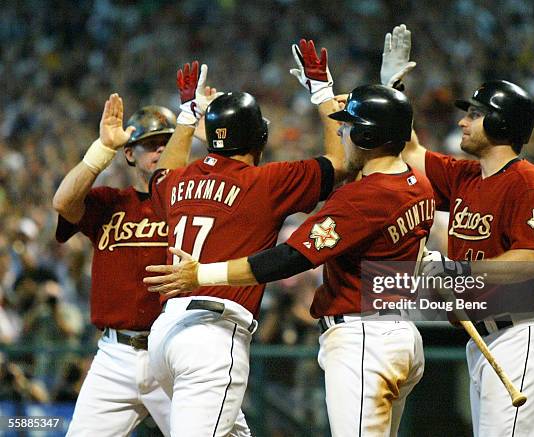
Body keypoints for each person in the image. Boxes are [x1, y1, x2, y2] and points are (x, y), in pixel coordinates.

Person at [145, 83, 435, 437]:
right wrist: (332, 93)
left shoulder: (359, 199)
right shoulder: (419, 184)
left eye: (348, 126)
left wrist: (202, 273)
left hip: (363, 341)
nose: (341, 131)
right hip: (401, 333)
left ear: (366, 135)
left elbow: (288, 259)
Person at [142, 45, 344, 436]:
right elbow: (341, 163)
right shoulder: (265, 182)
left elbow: (161, 174)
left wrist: (187, 115)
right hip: (213, 335)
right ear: (259, 136)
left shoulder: (182, 178)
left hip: (166, 333)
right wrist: (321, 92)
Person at [383, 25, 534, 437]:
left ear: (499, 123)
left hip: (523, 332)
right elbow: (410, 152)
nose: (464, 123)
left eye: (474, 114)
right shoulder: (466, 176)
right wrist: (394, 91)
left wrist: (456, 272)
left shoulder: (529, 182)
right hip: (483, 337)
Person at [52, 95, 251, 436]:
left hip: (177, 349)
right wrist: (102, 148)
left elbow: (246, 190)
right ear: (129, 153)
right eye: (149, 145)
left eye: (167, 142)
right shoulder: (110, 203)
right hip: (116, 354)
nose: (160, 151)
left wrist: (212, 137)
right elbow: (63, 202)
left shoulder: (198, 202)